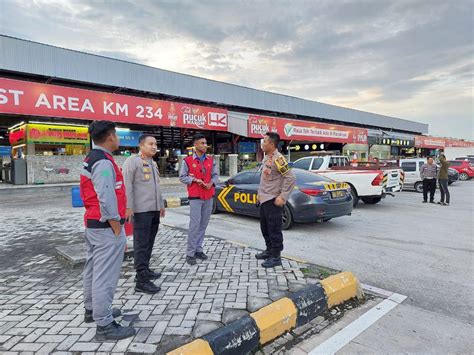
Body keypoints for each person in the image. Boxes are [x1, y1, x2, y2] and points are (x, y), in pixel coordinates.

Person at [79, 120, 135, 341]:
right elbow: (106, 196)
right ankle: (105, 324)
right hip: (105, 227)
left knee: (92, 269)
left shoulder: (92, 158)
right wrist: (116, 225)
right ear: (111, 136)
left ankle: (92, 310)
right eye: (117, 135)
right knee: (105, 276)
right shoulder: (102, 162)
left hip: (94, 225)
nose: (118, 139)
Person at [122, 134, 165, 294]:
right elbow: (127, 185)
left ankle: (145, 270)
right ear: (141, 145)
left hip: (153, 210)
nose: (154, 147)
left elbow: (156, 187)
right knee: (141, 244)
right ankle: (141, 280)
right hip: (141, 211)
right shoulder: (132, 162)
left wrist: (160, 205)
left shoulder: (153, 163)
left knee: (149, 242)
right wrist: (128, 207)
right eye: (150, 144)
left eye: (155, 144)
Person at [256, 132, 296, 268]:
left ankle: (276, 256)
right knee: (265, 228)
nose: (262, 144)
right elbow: (265, 179)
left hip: (273, 200)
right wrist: (259, 194)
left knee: (274, 229)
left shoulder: (279, 159)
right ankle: (269, 250)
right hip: (264, 199)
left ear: (272, 144)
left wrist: (283, 196)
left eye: (265, 141)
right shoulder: (267, 157)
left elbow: (290, 178)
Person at [179, 133, 219, 265]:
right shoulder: (187, 161)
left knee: (203, 224)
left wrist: (211, 183)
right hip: (195, 197)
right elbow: (182, 177)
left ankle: (198, 249)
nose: (205, 145)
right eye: (202, 143)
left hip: (209, 196)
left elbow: (215, 176)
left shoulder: (211, 160)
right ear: (195, 145)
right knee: (194, 225)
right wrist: (195, 180)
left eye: (205, 143)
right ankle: (190, 253)